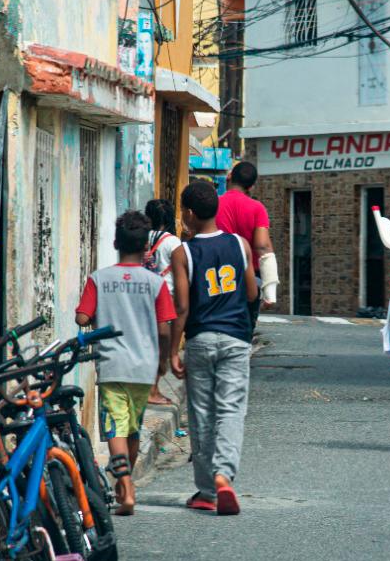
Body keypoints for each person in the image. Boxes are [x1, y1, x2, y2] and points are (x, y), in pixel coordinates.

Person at [75, 210, 176, 515]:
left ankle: (126, 485)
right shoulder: (155, 283)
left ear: (116, 242)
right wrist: (163, 361)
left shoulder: (99, 279)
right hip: (144, 367)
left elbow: (82, 316)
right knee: (132, 428)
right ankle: (124, 485)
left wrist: (90, 317)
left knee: (115, 428)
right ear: (146, 248)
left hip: (112, 364)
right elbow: (163, 328)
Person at [170, 180, 258, 516]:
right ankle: (224, 475)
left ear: (189, 214)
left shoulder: (184, 252)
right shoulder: (240, 244)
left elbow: (182, 308)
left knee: (202, 414)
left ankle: (206, 490)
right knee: (231, 410)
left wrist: (172, 352)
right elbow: (251, 294)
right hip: (236, 338)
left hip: (201, 339)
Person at [216, 162, 277, 326]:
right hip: (249, 279)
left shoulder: (214, 204)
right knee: (245, 327)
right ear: (251, 186)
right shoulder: (257, 208)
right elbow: (263, 246)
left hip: (217, 275)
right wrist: (270, 291)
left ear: (229, 177)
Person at [143, 198, 182, 405]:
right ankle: (153, 388)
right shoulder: (173, 242)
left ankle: (148, 388)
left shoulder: (140, 238)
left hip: (141, 296)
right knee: (161, 345)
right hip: (164, 298)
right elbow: (179, 274)